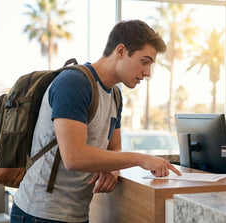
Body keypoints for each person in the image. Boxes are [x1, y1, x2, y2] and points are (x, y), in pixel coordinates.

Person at [11, 20, 181, 223]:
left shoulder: (115, 95)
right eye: (144, 61)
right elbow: (74, 157)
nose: (148, 73)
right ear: (120, 51)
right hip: (39, 213)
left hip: (76, 213)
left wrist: (113, 167)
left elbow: (114, 148)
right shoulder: (75, 83)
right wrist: (139, 158)